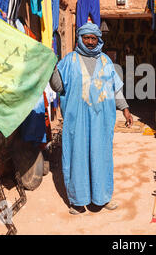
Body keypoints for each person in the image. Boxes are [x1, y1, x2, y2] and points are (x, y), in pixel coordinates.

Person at [50, 22, 133, 215]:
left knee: (100, 156)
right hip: (76, 120)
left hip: (101, 121)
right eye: (86, 37)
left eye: (93, 38)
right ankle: (78, 201)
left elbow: (115, 89)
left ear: (98, 39)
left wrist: (125, 109)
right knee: (77, 156)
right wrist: (51, 68)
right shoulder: (69, 61)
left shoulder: (105, 61)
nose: (89, 41)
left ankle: (101, 198)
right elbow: (57, 87)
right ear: (80, 38)